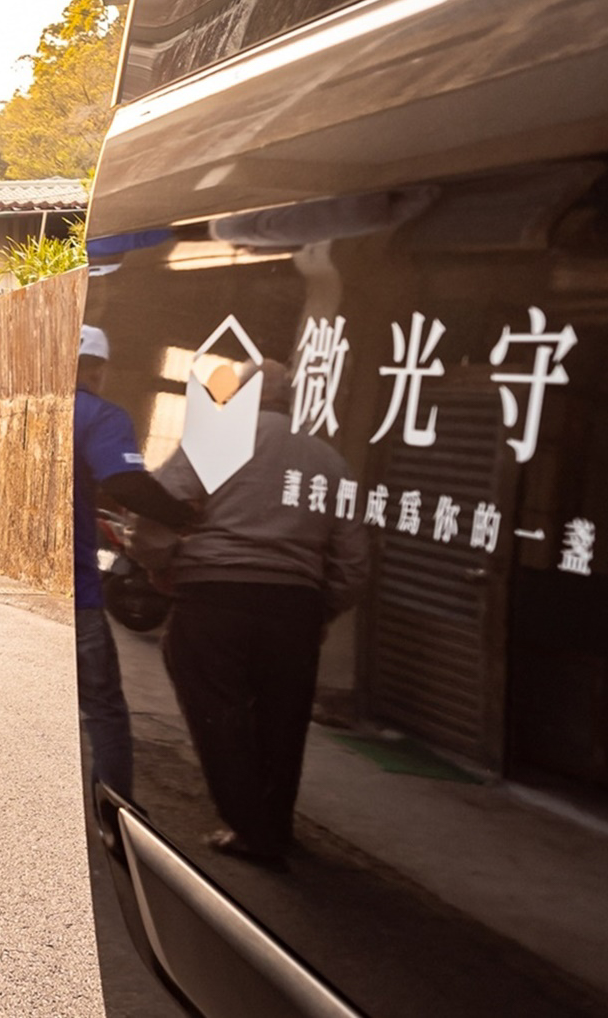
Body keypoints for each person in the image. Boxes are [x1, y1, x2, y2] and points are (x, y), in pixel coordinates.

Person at [153, 358, 370, 870]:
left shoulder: (215, 441)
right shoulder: (329, 461)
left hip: (214, 597)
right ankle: (273, 826)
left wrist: (160, 565)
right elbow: (355, 560)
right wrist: (321, 609)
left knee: (218, 713)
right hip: (294, 607)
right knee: (283, 720)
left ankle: (249, 827)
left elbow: (155, 509)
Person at [72, 326, 196, 809]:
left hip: (7, 585)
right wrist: (184, 518)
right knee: (102, 706)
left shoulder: (21, 408)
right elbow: (126, 482)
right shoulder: (99, 415)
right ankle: (114, 813)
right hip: (74, 593)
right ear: (99, 372)